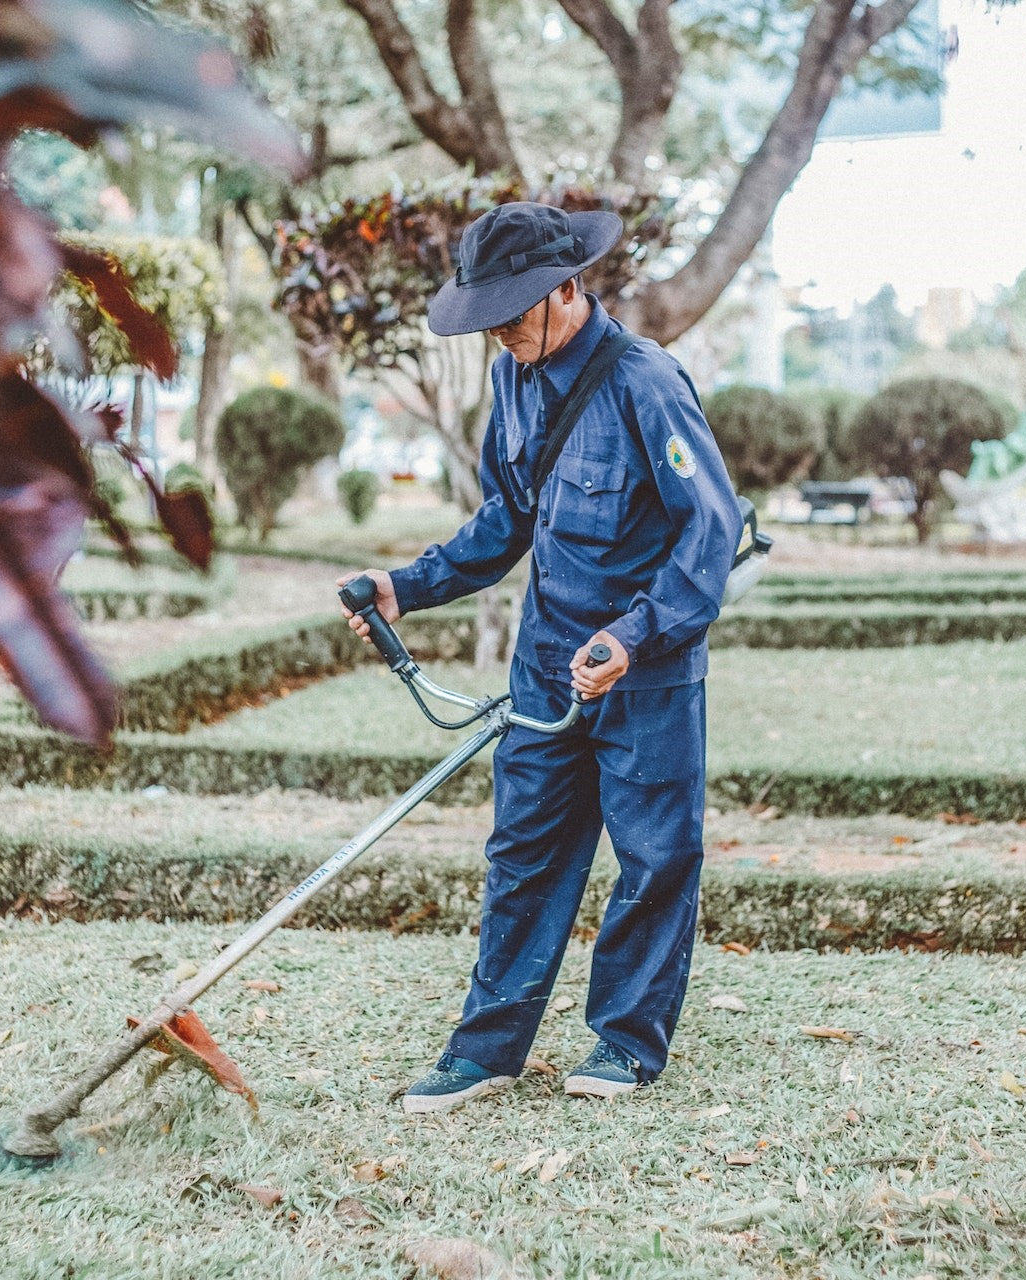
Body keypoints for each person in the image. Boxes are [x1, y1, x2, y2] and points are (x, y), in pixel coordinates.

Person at [339, 201, 742, 1112]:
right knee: (523, 857)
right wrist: (410, 584)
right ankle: (486, 1051)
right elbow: (505, 519)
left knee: (654, 859)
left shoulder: (647, 382)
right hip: (546, 667)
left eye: (514, 314)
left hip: (646, 671)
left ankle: (626, 1045)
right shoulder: (512, 380)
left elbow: (708, 532)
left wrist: (634, 637)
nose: (504, 334)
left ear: (568, 290)